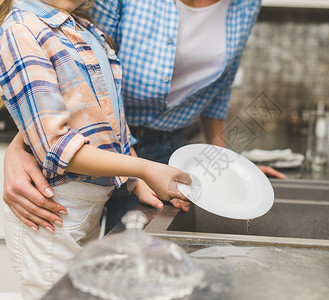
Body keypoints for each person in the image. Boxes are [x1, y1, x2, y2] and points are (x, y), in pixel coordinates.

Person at [2, 0, 285, 234]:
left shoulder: (246, 5)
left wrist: (226, 163)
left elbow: (221, 87)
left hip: (162, 153)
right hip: (95, 158)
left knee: (138, 268)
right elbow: (71, 72)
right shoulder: (28, 26)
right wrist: (24, 143)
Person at [0, 0, 191, 298]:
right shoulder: (21, 30)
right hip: (50, 207)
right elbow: (56, 147)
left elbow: (112, 125)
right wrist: (145, 168)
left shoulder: (86, 30)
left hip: (86, 205)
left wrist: (137, 180)